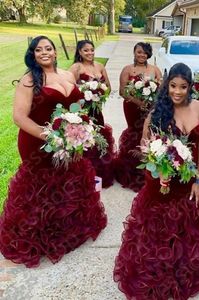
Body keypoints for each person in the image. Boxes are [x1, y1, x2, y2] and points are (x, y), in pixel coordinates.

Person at [114, 63, 199, 299]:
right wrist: (159, 171)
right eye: (173, 86)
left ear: (190, 87)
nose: (177, 92)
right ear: (167, 86)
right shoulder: (157, 111)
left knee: (190, 222)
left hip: (189, 180)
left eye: (183, 87)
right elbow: (146, 148)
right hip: (162, 180)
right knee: (158, 225)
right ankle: (158, 268)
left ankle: (187, 268)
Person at [0, 36, 107, 268]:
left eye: (48, 48)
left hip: (68, 142)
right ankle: (40, 237)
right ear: (33, 55)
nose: (44, 53)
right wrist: (52, 137)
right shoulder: (29, 80)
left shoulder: (68, 75)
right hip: (38, 143)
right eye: (39, 50)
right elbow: (19, 117)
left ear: (56, 52)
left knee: (67, 182)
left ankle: (66, 230)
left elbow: (75, 108)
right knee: (42, 189)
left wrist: (78, 134)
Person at [114, 42, 162, 192]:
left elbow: (161, 89)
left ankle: (148, 169)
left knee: (149, 133)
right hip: (132, 107)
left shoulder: (154, 69)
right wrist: (138, 102)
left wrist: (152, 102)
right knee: (134, 132)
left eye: (145, 53)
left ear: (149, 54)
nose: (142, 55)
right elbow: (122, 91)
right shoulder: (128, 69)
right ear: (134, 52)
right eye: (139, 52)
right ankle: (132, 170)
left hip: (151, 107)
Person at [69, 40, 115, 188]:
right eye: (86, 50)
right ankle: (82, 177)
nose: (90, 53)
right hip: (82, 111)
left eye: (92, 50)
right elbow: (69, 90)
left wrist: (100, 93)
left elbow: (108, 86)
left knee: (97, 140)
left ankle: (97, 176)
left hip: (96, 110)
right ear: (80, 52)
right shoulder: (76, 67)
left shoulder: (100, 66)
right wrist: (84, 92)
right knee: (84, 141)